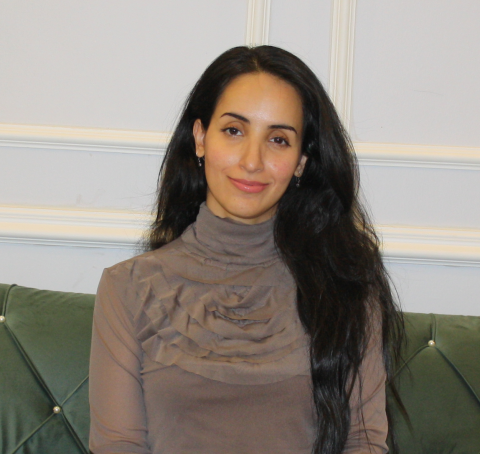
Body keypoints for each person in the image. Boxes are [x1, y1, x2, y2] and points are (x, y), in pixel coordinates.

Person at [89, 45, 404, 454]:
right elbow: (118, 445)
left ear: (301, 162)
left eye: (278, 139)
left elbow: (364, 442)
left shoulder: (348, 288)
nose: (252, 161)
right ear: (200, 138)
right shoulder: (128, 288)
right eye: (234, 131)